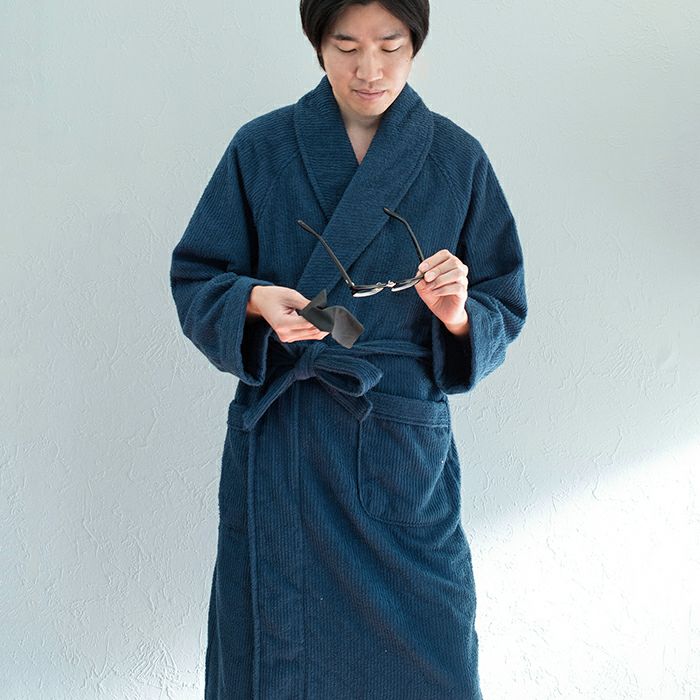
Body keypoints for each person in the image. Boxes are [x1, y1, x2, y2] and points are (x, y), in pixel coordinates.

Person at [169, 1, 527, 698]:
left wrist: (456, 314)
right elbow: (197, 276)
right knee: (281, 657)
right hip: (288, 438)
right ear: (318, 45)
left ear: (415, 46)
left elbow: (502, 301)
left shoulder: (456, 158)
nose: (370, 69)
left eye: (390, 46)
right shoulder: (261, 148)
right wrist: (254, 299)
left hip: (398, 445)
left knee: (430, 658)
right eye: (346, 46)